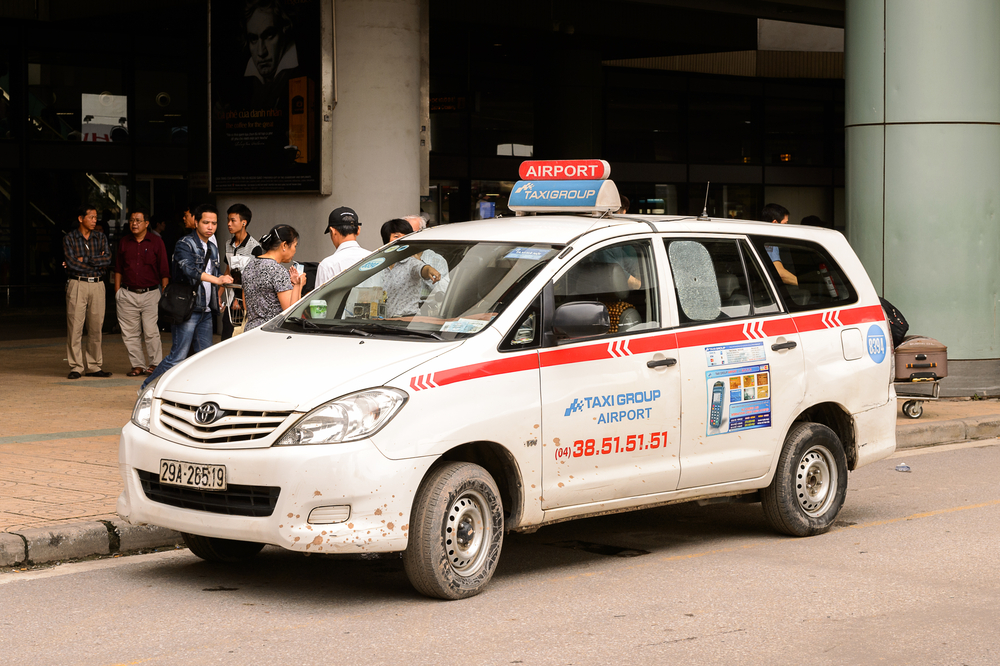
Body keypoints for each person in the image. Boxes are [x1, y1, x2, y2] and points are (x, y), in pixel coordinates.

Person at [141, 205, 233, 391]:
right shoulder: (185, 244)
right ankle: (146, 388)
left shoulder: (213, 248)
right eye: (206, 222)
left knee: (203, 358)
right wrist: (218, 279)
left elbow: (213, 280)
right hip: (187, 309)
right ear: (196, 222)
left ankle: (195, 394)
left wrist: (217, 299)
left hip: (205, 311)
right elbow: (189, 269)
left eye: (214, 223)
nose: (210, 227)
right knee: (178, 356)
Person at [114, 210, 170, 377]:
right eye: (132, 220)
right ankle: (137, 365)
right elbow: (118, 268)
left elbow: (164, 270)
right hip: (127, 293)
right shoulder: (124, 242)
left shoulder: (156, 242)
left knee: (151, 331)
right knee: (130, 333)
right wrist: (118, 292)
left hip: (151, 293)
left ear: (146, 223)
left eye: (138, 220)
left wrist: (164, 292)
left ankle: (155, 364)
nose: (134, 224)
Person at [63, 206, 113, 379]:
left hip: (98, 284)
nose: (94, 220)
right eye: (91, 217)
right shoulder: (69, 238)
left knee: (96, 327)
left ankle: (93, 365)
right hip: (78, 284)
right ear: (80, 218)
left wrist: (84, 259)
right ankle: (76, 366)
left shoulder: (100, 237)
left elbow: (107, 258)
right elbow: (71, 264)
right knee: (75, 327)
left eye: (95, 217)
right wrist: (95, 262)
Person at [241, 224, 306, 331]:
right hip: (272, 331)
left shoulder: (249, 266)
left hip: (251, 331)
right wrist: (298, 285)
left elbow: (245, 304)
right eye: (294, 246)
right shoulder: (277, 270)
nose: (295, 250)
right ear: (284, 245)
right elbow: (290, 312)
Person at [379, 218, 441, 317]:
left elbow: (421, 268)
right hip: (382, 322)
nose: (401, 240)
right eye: (396, 236)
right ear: (386, 240)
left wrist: (429, 270)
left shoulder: (410, 262)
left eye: (405, 237)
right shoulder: (379, 264)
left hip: (407, 321)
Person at [219, 203, 261, 340]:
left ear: (244, 223)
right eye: (228, 220)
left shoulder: (255, 247)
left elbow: (256, 278)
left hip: (247, 300)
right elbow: (227, 271)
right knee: (226, 332)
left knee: (243, 335)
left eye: (233, 220)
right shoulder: (228, 244)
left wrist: (241, 301)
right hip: (231, 297)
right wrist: (219, 295)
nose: (229, 224)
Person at [316, 206, 369, 284]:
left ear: (333, 231)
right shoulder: (375, 258)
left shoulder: (327, 265)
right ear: (358, 230)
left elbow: (320, 296)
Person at [760, 203, 798, 286]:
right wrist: (803, 284)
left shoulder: (759, 238)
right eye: (785, 224)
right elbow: (781, 274)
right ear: (775, 223)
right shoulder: (770, 243)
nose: (786, 228)